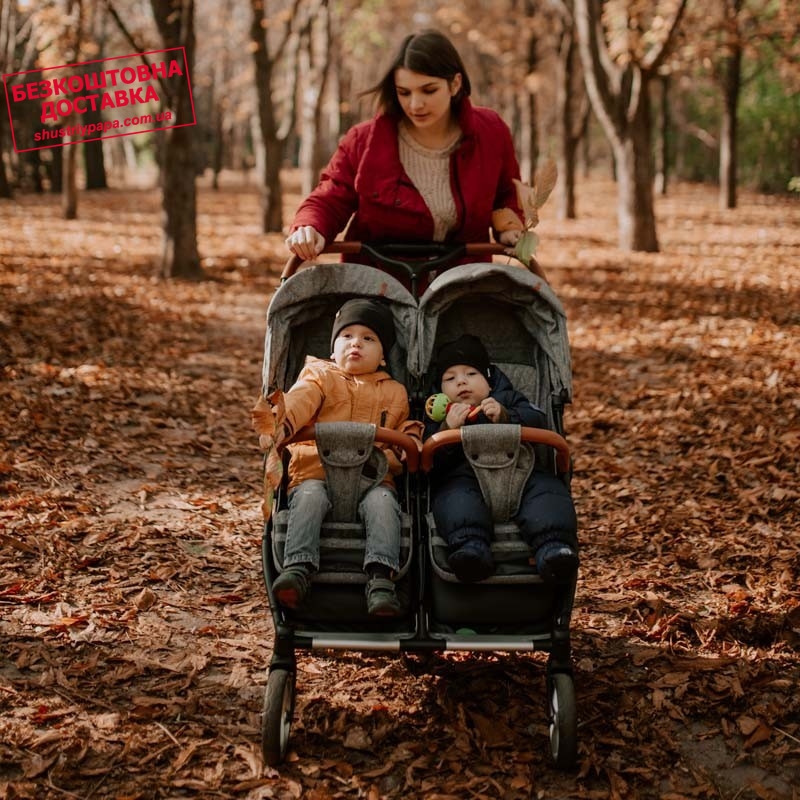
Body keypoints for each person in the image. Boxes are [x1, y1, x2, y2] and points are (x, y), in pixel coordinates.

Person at [285, 29, 525, 265]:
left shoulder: (491, 132)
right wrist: (310, 225)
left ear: (455, 84)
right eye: (404, 93)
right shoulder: (362, 141)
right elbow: (330, 197)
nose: (415, 104)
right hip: (378, 280)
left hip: (464, 281)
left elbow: (508, 193)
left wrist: (510, 227)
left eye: (429, 90)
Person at [271, 298, 422, 616]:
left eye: (369, 338)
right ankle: (297, 568)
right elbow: (300, 400)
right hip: (316, 472)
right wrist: (284, 422)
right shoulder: (319, 375)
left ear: (383, 356)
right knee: (310, 497)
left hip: (373, 479)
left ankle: (381, 578)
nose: (356, 343)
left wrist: (408, 440)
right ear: (332, 350)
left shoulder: (394, 391)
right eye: (347, 336)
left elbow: (402, 428)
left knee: (384, 503)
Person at [424, 334, 579, 584]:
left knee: (548, 494)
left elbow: (538, 420)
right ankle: (471, 549)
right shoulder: (440, 417)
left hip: (522, 473)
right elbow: (431, 462)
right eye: (450, 379)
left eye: (471, 374)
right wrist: (446, 428)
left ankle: (554, 549)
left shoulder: (506, 399)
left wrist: (507, 416)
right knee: (455, 501)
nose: (461, 381)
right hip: (465, 478)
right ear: (440, 392)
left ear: (489, 380)